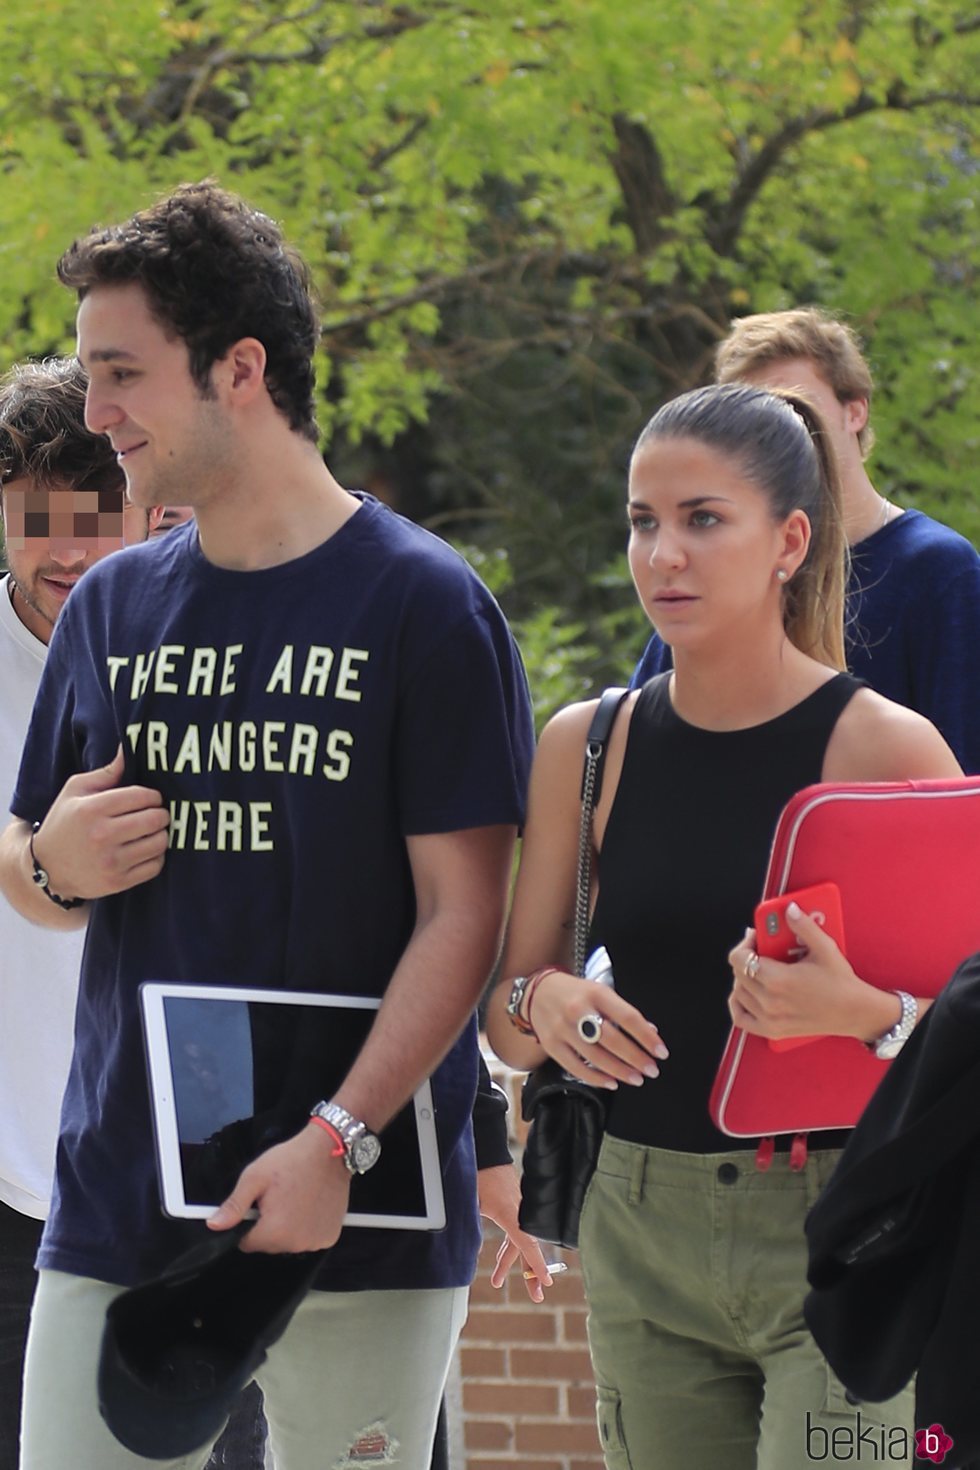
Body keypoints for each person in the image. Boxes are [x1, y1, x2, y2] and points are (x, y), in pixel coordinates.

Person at [0, 183, 534, 1470]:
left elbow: (465, 918)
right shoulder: (111, 608)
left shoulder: (424, 605)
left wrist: (337, 1139)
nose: (96, 412)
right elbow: (29, 874)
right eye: (87, 374)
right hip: (123, 1201)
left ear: (240, 368)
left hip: (364, 1202)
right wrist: (53, 870)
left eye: (122, 373)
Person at [486, 382, 961, 1469]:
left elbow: (963, 1041)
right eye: (642, 521)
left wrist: (863, 1012)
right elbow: (505, 1018)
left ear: (788, 540)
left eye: (702, 519)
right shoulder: (585, 745)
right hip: (636, 1224)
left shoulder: (886, 751)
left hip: (843, 1229)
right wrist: (544, 1001)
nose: (662, 555)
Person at [0, 359, 275, 1470]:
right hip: (13, 1188)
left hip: (201, 1185)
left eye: (94, 516)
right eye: (34, 521)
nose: (64, 552)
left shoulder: (226, 646)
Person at [630, 307, 980, 773]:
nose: (775, 439)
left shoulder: (937, 570)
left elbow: (961, 781)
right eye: (753, 419)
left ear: (854, 410)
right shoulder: (710, 582)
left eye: (794, 409)